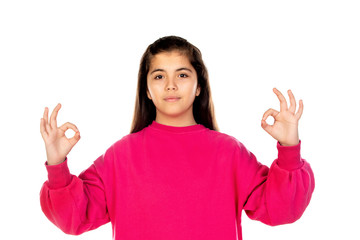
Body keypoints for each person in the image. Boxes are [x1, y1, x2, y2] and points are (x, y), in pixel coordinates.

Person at [39, 35, 315, 240]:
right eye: (159, 76)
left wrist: (289, 148)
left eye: (182, 74)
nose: (170, 84)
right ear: (146, 89)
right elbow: (74, 217)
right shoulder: (121, 156)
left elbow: (282, 210)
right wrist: (57, 163)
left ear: (198, 87)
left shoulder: (228, 152)